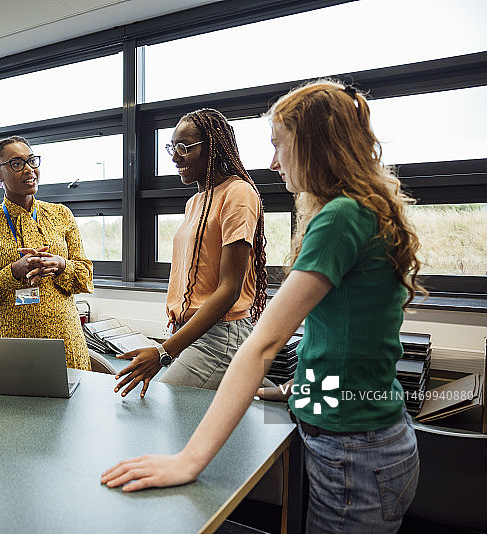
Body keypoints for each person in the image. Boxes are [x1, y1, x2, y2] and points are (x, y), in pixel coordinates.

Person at [101, 80, 424, 533]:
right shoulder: (361, 210)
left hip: (355, 454)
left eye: (279, 144)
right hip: (372, 443)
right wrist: (297, 389)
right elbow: (351, 339)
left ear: (312, 145)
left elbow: (263, 343)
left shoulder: (340, 217)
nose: (273, 161)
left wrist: (190, 461)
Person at [113, 108, 268, 397]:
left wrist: (162, 352)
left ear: (213, 147)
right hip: (189, 331)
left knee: (164, 405)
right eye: (172, 147)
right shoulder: (195, 202)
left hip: (221, 335)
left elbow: (229, 289)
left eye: (184, 148)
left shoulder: (238, 193)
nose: (174, 157)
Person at [0, 136, 93, 370]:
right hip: (10, 342)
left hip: (64, 338)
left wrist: (61, 264)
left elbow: (85, 277)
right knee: (10, 406)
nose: (29, 169)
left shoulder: (61, 215)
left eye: (32, 161)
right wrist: (12, 272)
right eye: (16, 164)